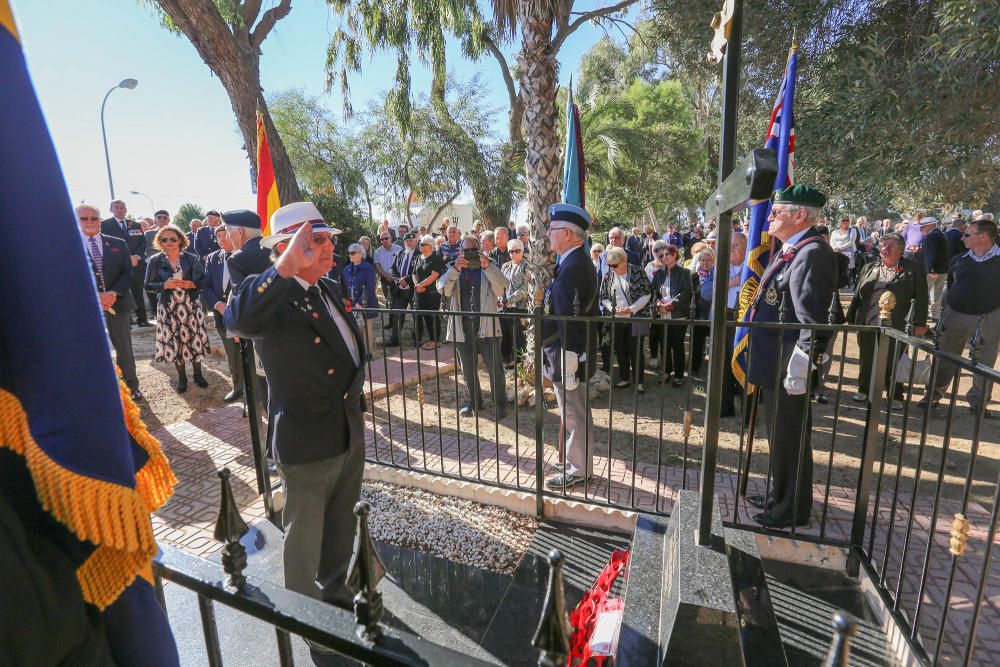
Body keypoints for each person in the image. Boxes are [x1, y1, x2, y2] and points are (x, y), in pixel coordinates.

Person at [225, 202, 366, 614]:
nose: (329, 249)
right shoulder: (274, 298)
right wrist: (282, 270)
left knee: (341, 530)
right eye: (316, 242)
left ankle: (337, 597)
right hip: (307, 441)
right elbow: (238, 319)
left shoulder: (328, 287)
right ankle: (308, 620)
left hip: (346, 429)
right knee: (304, 542)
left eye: (329, 240)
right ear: (287, 249)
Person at [744, 184, 838, 529]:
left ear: (799, 216)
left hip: (789, 362)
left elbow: (812, 317)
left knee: (790, 438)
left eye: (776, 212)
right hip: (775, 360)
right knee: (781, 436)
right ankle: (781, 494)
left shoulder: (811, 252)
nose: (769, 217)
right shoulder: (793, 249)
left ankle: (791, 508)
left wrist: (803, 361)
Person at [542, 204, 599, 490]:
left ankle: (579, 469)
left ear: (566, 233)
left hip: (569, 354)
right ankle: (578, 460)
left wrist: (573, 356)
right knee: (573, 412)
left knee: (575, 413)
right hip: (565, 352)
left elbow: (571, 319)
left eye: (552, 230)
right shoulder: (571, 262)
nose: (547, 234)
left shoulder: (575, 266)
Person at [921, 217, 1000, 417]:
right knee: (946, 355)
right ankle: (932, 396)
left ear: (983, 237)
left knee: (984, 360)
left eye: (967, 234)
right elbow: (951, 287)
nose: (962, 237)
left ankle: (978, 403)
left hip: (990, 317)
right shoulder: (959, 260)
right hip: (956, 316)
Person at [846, 233, 928, 407]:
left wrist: (920, 323)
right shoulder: (869, 267)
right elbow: (857, 296)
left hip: (897, 324)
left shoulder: (913, 269)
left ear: (901, 249)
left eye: (890, 245)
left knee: (895, 358)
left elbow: (921, 297)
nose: (884, 248)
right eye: (883, 244)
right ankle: (864, 390)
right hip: (869, 321)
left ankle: (895, 394)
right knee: (867, 356)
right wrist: (852, 316)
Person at [438, 234, 508, 418]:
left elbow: (502, 287)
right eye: (466, 250)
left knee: (495, 367)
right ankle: (475, 402)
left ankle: (500, 404)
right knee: (467, 367)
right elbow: (443, 288)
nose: (469, 254)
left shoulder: (489, 265)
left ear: (479, 250)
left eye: (473, 250)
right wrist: (455, 269)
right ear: (461, 250)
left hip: (487, 324)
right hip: (462, 326)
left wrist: (488, 267)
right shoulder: (454, 267)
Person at [78, 204, 142, 400]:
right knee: (91, 349)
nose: (90, 222)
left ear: (100, 220)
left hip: (118, 303)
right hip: (85, 308)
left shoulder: (118, 243)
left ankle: (131, 387)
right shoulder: (67, 248)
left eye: (94, 218)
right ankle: (99, 389)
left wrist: (113, 293)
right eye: (84, 218)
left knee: (124, 349)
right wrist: (96, 297)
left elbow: (127, 273)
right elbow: (66, 278)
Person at [145, 225, 210, 393]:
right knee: (175, 343)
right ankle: (182, 378)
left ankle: (198, 374)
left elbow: (204, 281)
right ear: (160, 242)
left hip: (190, 306)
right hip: (168, 308)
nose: (169, 242)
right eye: (164, 239)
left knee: (194, 339)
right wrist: (163, 285)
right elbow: (147, 285)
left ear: (180, 239)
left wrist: (192, 283)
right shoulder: (155, 260)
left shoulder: (190, 258)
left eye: (173, 239)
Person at [600, 246, 653, 392]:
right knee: (620, 349)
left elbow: (647, 293)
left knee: (635, 350)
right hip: (616, 318)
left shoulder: (638, 271)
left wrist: (632, 309)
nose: (612, 268)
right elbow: (603, 296)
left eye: (615, 265)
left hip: (634, 318)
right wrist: (612, 308)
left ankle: (639, 381)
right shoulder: (608, 275)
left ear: (624, 261)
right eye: (610, 265)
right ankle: (625, 378)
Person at [201, 223, 244, 402]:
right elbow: (206, 286)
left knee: (249, 352)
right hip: (222, 316)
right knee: (231, 352)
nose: (221, 239)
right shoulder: (213, 258)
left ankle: (256, 389)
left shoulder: (244, 255)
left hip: (243, 314)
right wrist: (218, 304)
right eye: (218, 236)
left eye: (224, 234)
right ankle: (238, 387)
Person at [101, 199, 150, 327]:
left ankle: (142, 319)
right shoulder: (104, 225)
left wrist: (137, 256)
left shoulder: (135, 225)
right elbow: (104, 244)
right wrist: (124, 258)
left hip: (136, 264)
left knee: (138, 292)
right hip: (116, 266)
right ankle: (125, 322)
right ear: (110, 209)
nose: (119, 209)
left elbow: (142, 243)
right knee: (119, 292)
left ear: (126, 209)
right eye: (116, 207)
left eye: (122, 207)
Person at [651, 244, 694, 386]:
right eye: (661, 256)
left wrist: (670, 306)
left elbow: (685, 293)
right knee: (664, 345)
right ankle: (666, 371)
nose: (663, 257)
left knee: (677, 346)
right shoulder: (658, 274)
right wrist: (658, 305)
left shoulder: (685, 273)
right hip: (661, 315)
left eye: (666, 254)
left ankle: (679, 375)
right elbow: (654, 293)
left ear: (674, 254)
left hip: (677, 315)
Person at [499, 238, 531, 368]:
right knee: (505, 334)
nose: (513, 254)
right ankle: (505, 359)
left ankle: (519, 362)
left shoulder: (526, 266)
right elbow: (500, 283)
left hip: (520, 308)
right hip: (505, 307)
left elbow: (526, 288)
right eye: (511, 251)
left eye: (516, 251)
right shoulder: (505, 266)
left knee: (518, 337)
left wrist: (509, 300)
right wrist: (501, 298)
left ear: (522, 251)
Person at [342, 242, 379, 352]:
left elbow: (370, 287)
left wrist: (360, 302)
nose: (350, 255)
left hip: (365, 304)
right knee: (355, 331)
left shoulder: (368, 268)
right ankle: (358, 353)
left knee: (367, 331)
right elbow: (344, 287)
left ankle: (369, 354)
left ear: (361, 254)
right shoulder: (346, 269)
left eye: (353, 253)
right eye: (349, 253)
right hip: (351, 306)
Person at [412, 234, 446, 349]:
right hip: (419, 292)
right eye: (420, 244)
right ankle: (431, 339)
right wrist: (417, 285)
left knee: (433, 316)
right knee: (425, 316)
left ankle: (436, 340)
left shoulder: (436, 258)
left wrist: (421, 285)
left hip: (431, 293)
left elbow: (434, 276)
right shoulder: (418, 257)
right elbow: (413, 273)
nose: (420, 246)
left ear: (430, 246)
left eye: (422, 244)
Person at [386, 232, 418, 346]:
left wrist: (407, 280)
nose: (409, 243)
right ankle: (395, 339)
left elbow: (418, 271)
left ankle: (417, 340)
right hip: (399, 289)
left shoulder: (419, 254)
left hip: (413, 289)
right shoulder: (400, 253)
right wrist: (399, 280)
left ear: (416, 241)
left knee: (416, 315)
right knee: (397, 315)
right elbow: (392, 269)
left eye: (411, 240)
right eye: (407, 241)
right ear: (404, 242)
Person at [921, 217, 949, 323]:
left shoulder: (931, 236)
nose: (921, 229)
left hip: (933, 271)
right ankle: (935, 315)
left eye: (923, 227)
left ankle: (922, 315)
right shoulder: (942, 234)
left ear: (929, 225)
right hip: (942, 269)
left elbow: (930, 255)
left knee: (924, 293)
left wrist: (931, 270)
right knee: (937, 294)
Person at [373, 231, 400, 306]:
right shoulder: (377, 252)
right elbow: (377, 266)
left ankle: (398, 317)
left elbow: (401, 264)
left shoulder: (399, 249)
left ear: (391, 238)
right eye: (382, 239)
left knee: (398, 301)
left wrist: (394, 276)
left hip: (397, 279)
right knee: (388, 301)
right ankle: (391, 317)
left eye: (386, 238)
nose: (384, 240)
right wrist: (386, 275)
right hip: (384, 279)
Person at [830, 217, 858, 288]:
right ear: (840, 222)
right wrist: (834, 248)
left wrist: (840, 248)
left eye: (847, 220)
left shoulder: (853, 230)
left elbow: (851, 242)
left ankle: (846, 283)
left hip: (848, 252)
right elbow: (832, 241)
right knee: (837, 268)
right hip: (836, 252)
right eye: (843, 220)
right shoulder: (834, 231)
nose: (845, 222)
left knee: (847, 268)